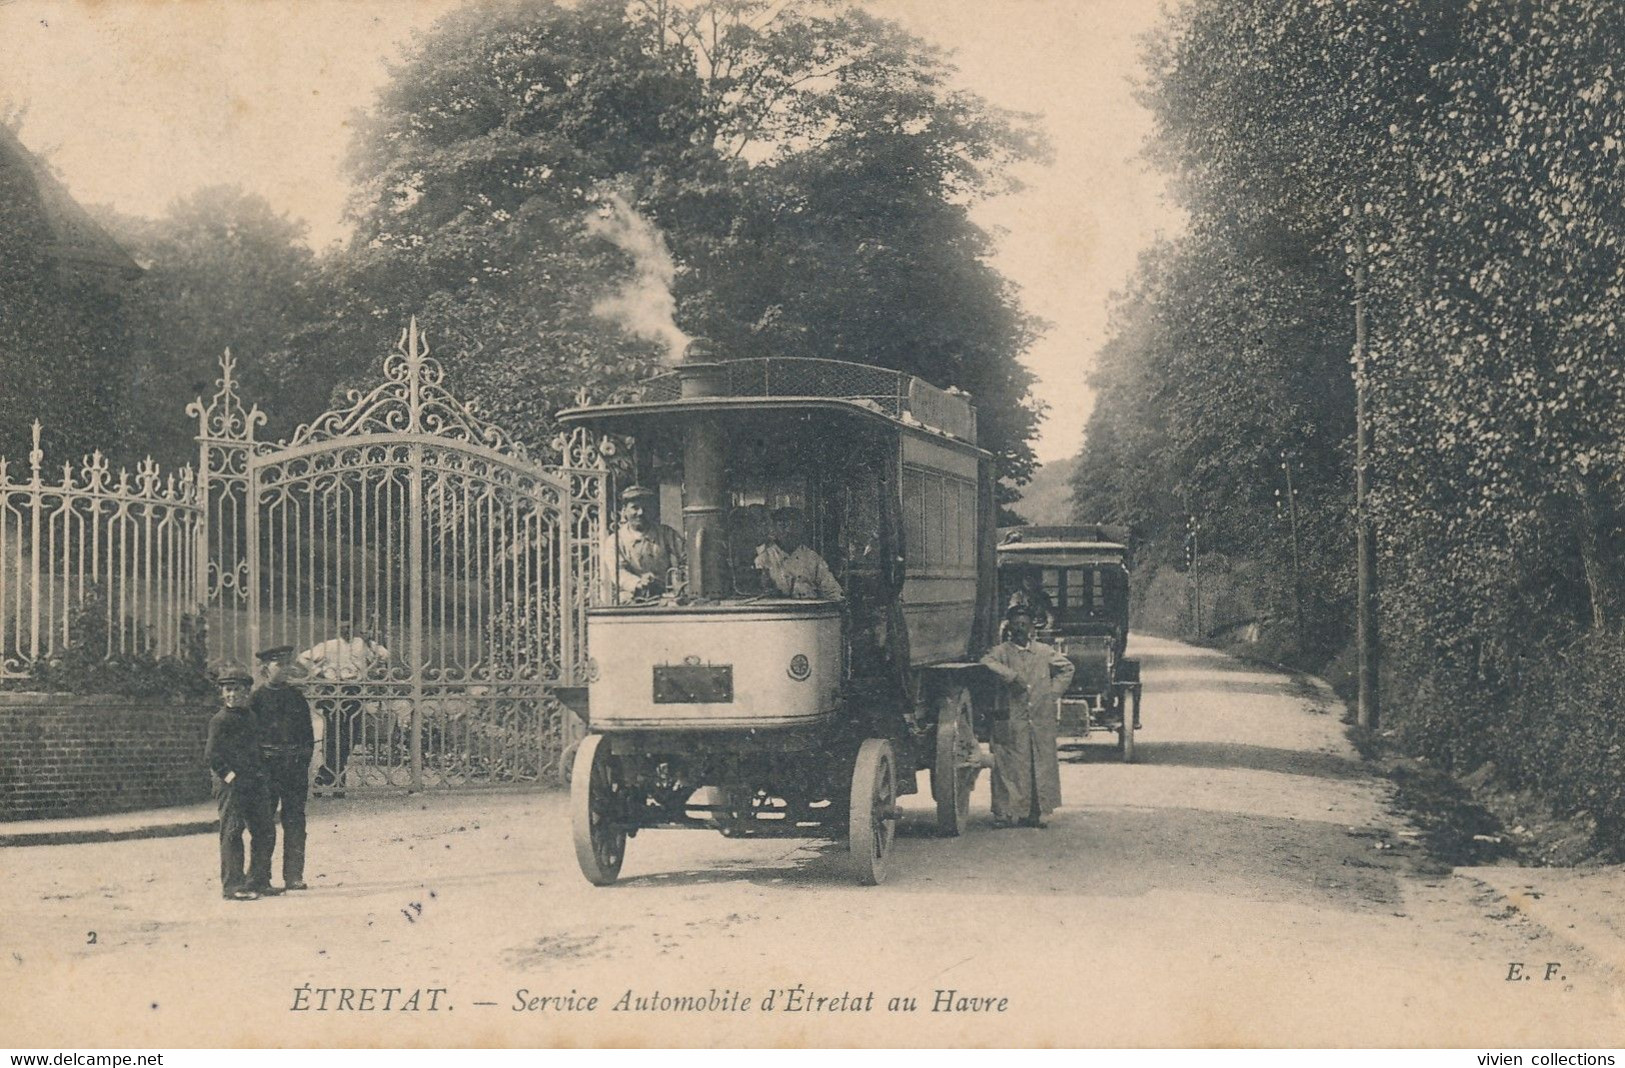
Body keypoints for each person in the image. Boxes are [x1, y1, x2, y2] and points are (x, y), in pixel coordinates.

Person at [979, 602, 1075, 829]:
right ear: (1010, 627)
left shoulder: (1043, 652)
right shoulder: (1001, 652)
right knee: (1007, 764)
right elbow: (985, 661)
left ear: (1032, 627)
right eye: (1016, 624)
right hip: (1012, 718)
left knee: (1038, 764)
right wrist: (1010, 676)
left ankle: (1035, 813)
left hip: (1040, 719)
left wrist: (1051, 694)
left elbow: (1067, 668)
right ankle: (1003, 813)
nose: (1021, 628)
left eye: (1025, 623)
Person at [204, 664, 274, 901]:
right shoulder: (219, 720)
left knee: (264, 829)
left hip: (254, 782)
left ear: (247, 692)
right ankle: (232, 886)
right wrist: (231, 777)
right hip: (231, 785)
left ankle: (259, 880)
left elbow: (258, 750)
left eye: (236, 690)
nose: (232, 695)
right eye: (227, 691)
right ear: (222, 694)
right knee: (233, 832)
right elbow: (213, 756)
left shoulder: (251, 717)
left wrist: (261, 775)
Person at [250, 645, 315, 891]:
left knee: (295, 821)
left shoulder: (296, 698)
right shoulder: (256, 699)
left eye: (287, 664)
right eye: (280, 665)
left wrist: (302, 762)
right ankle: (260, 876)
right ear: (266, 668)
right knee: (263, 822)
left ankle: (294, 875)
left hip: (294, 768)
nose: (285, 669)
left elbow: (308, 737)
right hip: (267, 769)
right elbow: (250, 738)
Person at [298, 619, 387, 788]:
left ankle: (327, 773)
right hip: (333, 691)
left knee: (351, 734)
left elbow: (384, 655)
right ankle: (337, 776)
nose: (346, 631)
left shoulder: (362, 644)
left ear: (354, 627)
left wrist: (369, 641)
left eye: (349, 627)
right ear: (337, 628)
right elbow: (303, 657)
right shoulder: (329, 645)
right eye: (342, 628)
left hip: (354, 691)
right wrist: (320, 673)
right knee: (333, 734)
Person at [601, 484, 685, 602]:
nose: (640, 512)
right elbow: (618, 571)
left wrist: (679, 579)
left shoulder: (666, 533)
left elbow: (686, 557)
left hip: (665, 594)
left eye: (645, 508)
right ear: (624, 510)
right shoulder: (615, 540)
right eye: (635, 507)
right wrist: (638, 583)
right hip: (633, 596)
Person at [755, 507, 843, 600]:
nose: (789, 530)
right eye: (783, 525)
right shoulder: (764, 558)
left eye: (795, 525)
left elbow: (833, 590)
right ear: (774, 529)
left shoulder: (812, 558)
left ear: (802, 529)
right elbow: (757, 595)